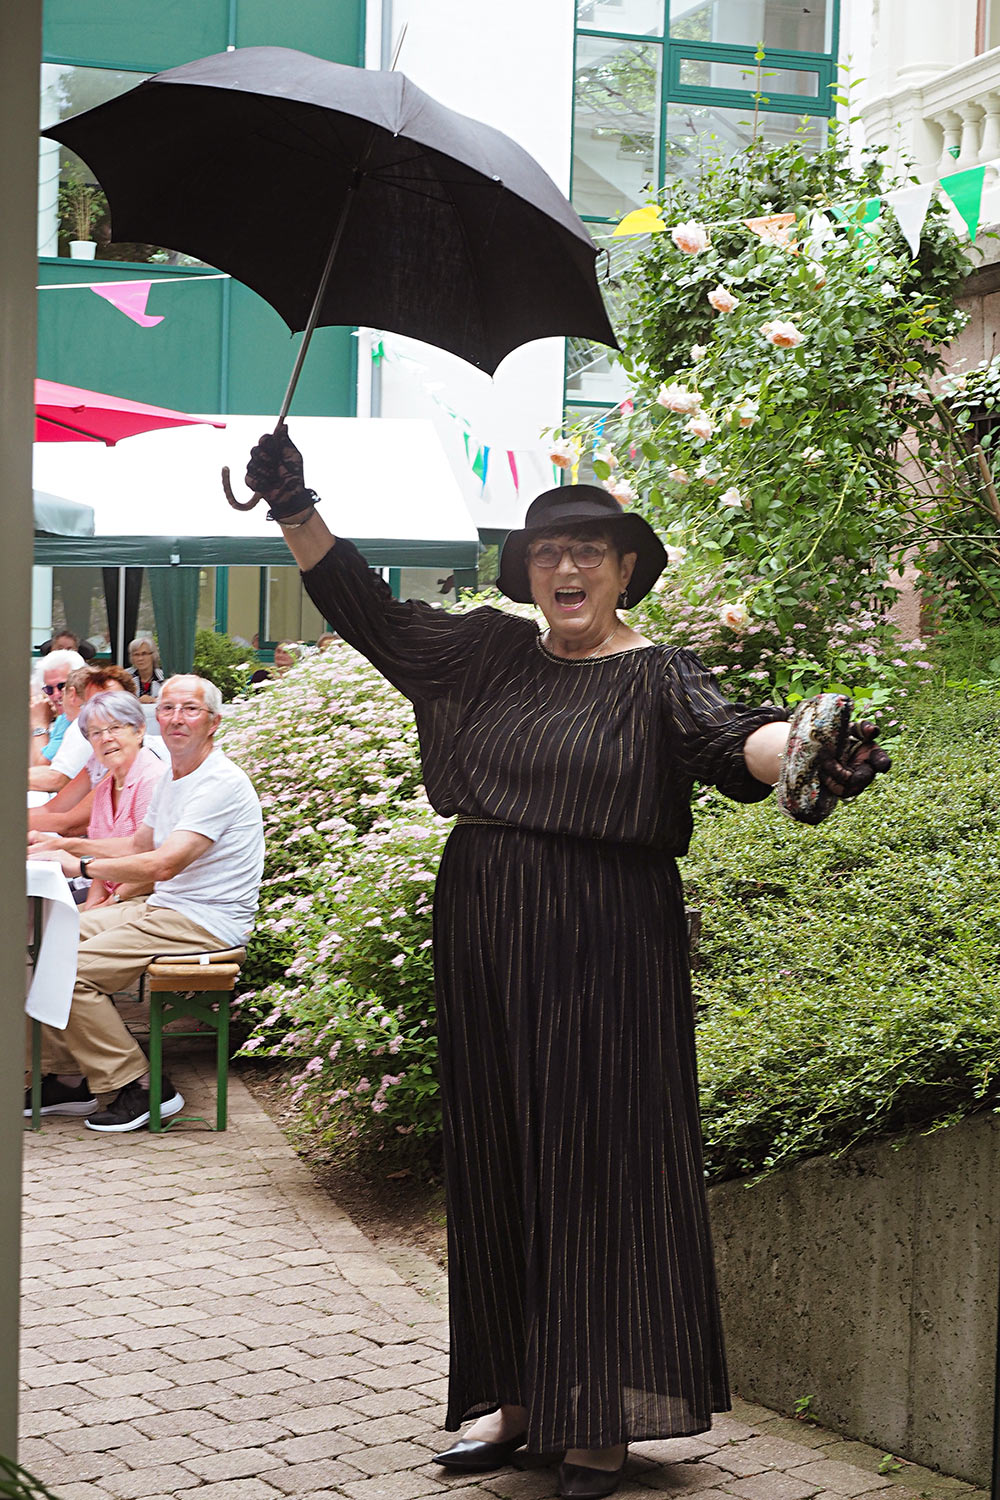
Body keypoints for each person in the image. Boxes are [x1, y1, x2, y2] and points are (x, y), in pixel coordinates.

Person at [240, 429, 889, 1499]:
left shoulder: (660, 676)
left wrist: (806, 753)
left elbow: (738, 742)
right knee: (498, 1160)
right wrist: (295, 507)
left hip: (604, 939)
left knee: (595, 1167)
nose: (569, 569)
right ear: (528, 572)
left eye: (591, 551)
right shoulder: (487, 654)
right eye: (549, 554)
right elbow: (371, 615)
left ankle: (597, 1424)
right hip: (484, 925)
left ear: (626, 569)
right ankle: (520, 1406)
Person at [27, 673, 264, 1134]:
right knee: (41, 941)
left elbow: (164, 865)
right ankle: (68, 1076)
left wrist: (82, 867)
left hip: (204, 920)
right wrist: (66, 844)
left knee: (70, 970)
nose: (177, 718)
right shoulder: (175, 774)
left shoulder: (219, 781)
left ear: (213, 722)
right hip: (167, 909)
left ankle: (142, 1087)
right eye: (169, 708)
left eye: (190, 709)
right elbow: (140, 842)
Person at [76, 690, 167, 909]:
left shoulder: (153, 780)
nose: (105, 738)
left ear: (139, 731)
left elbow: (154, 865)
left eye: (115, 728)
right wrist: (92, 903)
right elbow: (100, 856)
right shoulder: (105, 788)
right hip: (111, 894)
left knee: (55, 931)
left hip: (144, 897)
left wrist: (110, 901)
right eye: (95, 733)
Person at [29, 665, 142, 839]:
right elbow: (53, 808)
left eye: (113, 703)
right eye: (94, 704)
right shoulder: (98, 759)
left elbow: (71, 824)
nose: (102, 711)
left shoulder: (140, 764)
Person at [29, 649, 85, 767]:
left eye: (62, 686)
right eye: (49, 689)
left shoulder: (82, 717)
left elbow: (41, 766)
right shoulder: (63, 717)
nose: (56, 695)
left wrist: (39, 724)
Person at [126, 637, 164, 702]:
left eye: (144, 654)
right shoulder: (125, 676)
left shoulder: (163, 677)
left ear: (153, 655)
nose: (140, 658)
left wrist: (154, 700)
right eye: (136, 654)